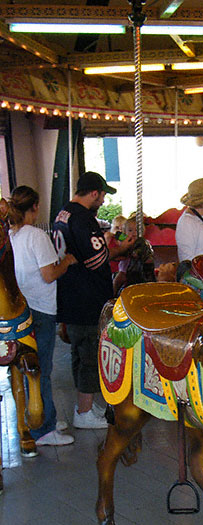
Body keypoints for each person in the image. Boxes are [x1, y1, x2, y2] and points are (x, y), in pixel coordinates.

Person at [8, 186, 77, 446]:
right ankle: (44, 430)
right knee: (41, 368)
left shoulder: (12, 235)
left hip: (22, 307)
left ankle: (41, 416)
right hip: (40, 306)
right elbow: (49, 274)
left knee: (25, 369)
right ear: (35, 207)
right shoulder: (36, 236)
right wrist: (67, 262)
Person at [52, 171, 115, 430]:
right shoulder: (82, 218)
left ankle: (84, 404)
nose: (102, 201)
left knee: (79, 353)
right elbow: (97, 259)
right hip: (88, 295)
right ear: (93, 193)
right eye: (101, 195)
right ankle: (85, 411)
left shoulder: (62, 214)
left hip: (70, 293)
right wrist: (114, 247)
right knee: (90, 353)